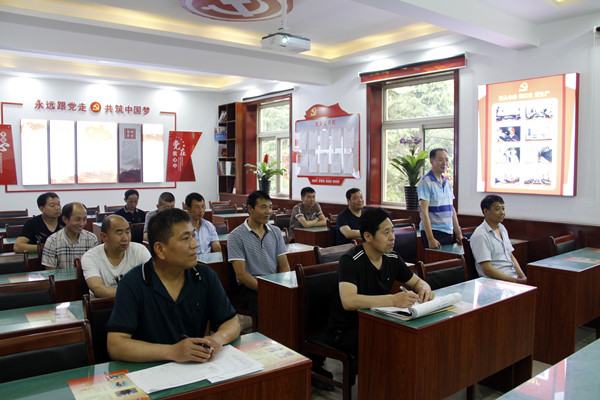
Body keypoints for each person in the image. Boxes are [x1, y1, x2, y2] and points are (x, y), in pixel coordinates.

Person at [106, 208, 241, 363]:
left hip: (194, 366)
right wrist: (172, 351)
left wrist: (217, 339)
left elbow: (232, 322)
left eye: (193, 236)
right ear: (160, 249)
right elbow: (116, 345)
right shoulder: (132, 283)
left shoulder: (204, 276)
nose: (195, 245)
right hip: (150, 368)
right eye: (185, 238)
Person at [327, 207, 434, 358]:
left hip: (377, 321)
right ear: (368, 236)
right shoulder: (350, 260)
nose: (392, 237)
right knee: (392, 343)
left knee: (413, 337)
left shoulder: (392, 257)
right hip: (347, 328)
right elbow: (348, 301)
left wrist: (425, 290)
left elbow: (418, 283)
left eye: (392, 231)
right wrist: (393, 300)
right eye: (386, 233)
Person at [227, 190, 290, 316]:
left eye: (270, 207)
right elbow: (241, 274)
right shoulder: (236, 236)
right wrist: (266, 289)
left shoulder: (276, 232)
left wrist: (282, 286)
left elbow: (284, 266)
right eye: (263, 207)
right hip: (249, 288)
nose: (268, 212)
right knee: (267, 304)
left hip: (273, 283)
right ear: (250, 209)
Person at [82, 215, 151, 298]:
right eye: (119, 233)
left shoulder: (139, 250)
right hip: (105, 304)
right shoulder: (91, 257)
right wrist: (134, 294)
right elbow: (97, 289)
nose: (125, 238)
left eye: (128, 232)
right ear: (104, 237)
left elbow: (154, 280)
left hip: (138, 303)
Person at [470, 195, 527, 283]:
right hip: (494, 282)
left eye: (503, 209)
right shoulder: (481, 235)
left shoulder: (502, 228)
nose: (502, 212)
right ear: (486, 211)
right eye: (497, 209)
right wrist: (515, 281)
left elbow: (511, 256)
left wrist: (523, 278)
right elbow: (487, 269)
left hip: (512, 278)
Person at [417, 148, 463, 249]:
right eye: (441, 160)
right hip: (434, 233)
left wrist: (458, 233)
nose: (444, 163)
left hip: (448, 232)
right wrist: (430, 239)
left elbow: (451, 210)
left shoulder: (447, 182)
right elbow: (424, 212)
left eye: (446, 160)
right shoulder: (425, 182)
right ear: (431, 161)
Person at [42, 202, 98, 269]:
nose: (81, 224)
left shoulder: (91, 239)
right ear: (65, 219)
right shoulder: (52, 241)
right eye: (77, 219)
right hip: (61, 276)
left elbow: (94, 267)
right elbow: (50, 271)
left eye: (84, 219)